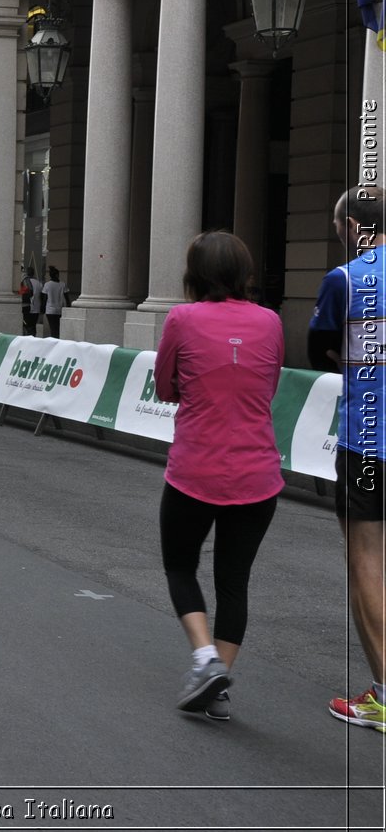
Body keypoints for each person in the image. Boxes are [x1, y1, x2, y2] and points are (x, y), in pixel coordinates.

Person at [154, 231, 284, 721]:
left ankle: (206, 659)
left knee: (180, 566)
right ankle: (219, 680)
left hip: (195, 468)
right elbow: (267, 387)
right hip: (258, 473)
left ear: (195, 274)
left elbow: (165, 388)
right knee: (235, 581)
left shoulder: (182, 318)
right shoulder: (270, 321)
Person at [309, 184, 386, 732]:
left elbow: (319, 350)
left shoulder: (347, 279)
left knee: (366, 561)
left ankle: (383, 693)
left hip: (369, 440)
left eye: (338, 229)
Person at [42, 266, 69, 338]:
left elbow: (44, 298)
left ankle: (54, 341)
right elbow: (67, 298)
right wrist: (68, 308)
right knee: (58, 328)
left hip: (50, 310)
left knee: (52, 328)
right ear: (57, 275)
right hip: (60, 310)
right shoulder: (63, 284)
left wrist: (42, 309)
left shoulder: (47, 285)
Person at [20, 266, 42, 336]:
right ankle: (33, 337)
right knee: (33, 325)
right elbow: (41, 296)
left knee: (26, 325)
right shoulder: (39, 283)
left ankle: (28, 337)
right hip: (35, 307)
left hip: (25, 305)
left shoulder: (24, 280)